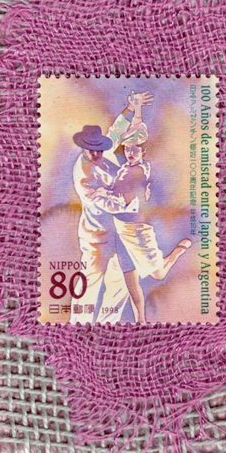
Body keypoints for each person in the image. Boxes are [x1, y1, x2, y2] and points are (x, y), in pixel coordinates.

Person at [89, 99, 192, 323]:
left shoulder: (137, 171)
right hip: (120, 229)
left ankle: (176, 253)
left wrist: (102, 195)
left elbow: (121, 201)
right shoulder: (125, 167)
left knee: (158, 274)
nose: (130, 153)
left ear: (143, 151)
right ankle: (141, 319)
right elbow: (136, 130)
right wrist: (136, 110)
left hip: (136, 230)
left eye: (135, 150)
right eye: (127, 149)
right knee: (130, 278)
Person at [69, 91, 153, 324]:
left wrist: (131, 108)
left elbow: (115, 132)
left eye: (99, 148)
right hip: (96, 236)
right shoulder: (84, 175)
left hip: (120, 233)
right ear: (83, 148)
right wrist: (134, 199)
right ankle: (78, 326)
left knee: (119, 282)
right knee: (91, 280)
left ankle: (109, 326)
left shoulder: (101, 150)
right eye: (92, 149)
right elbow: (108, 204)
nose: (97, 153)